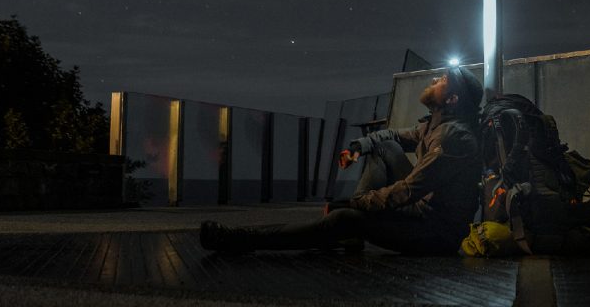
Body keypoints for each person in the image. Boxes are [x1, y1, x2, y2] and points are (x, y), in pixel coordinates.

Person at [200, 66, 483, 255]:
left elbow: (408, 191)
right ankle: (351, 222)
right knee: (385, 146)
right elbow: (393, 136)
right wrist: (358, 147)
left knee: (345, 217)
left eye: (443, 81)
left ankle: (237, 238)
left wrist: (357, 203)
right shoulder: (435, 124)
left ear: (452, 100)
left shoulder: (452, 138)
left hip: (435, 235)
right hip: (421, 212)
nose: (435, 80)